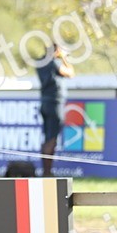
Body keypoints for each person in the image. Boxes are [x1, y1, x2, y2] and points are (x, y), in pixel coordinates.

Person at [36, 42, 74, 177]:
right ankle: (47, 172)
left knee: (47, 138)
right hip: (55, 103)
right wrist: (63, 57)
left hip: (44, 102)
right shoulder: (54, 63)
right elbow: (70, 73)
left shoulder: (40, 63)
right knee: (52, 139)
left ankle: (45, 171)